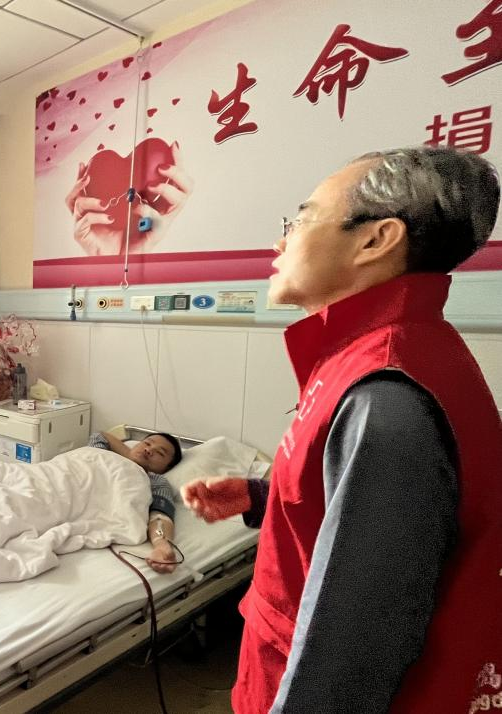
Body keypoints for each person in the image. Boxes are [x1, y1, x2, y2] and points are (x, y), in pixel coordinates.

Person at [179, 147, 502, 714]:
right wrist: (261, 496)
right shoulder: (384, 355)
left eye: (300, 220)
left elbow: (351, 648)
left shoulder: (386, 392)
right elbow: (374, 520)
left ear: (376, 239)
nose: (279, 243)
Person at [88, 430, 183, 573]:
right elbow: (100, 435)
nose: (149, 450)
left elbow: (160, 515)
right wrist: (131, 457)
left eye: (160, 453)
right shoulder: (104, 455)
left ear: (167, 468)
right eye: (147, 443)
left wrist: (161, 544)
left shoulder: (156, 481)